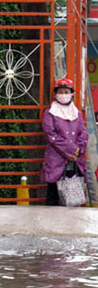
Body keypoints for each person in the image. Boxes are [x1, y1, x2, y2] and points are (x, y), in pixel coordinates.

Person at [41, 78, 88, 206]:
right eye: (60, 92)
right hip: (56, 160)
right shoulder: (49, 113)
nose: (63, 94)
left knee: (72, 200)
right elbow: (51, 135)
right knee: (52, 197)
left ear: (72, 94)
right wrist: (71, 150)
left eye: (66, 92)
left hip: (74, 162)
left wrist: (79, 149)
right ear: (56, 94)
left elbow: (83, 133)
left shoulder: (77, 113)